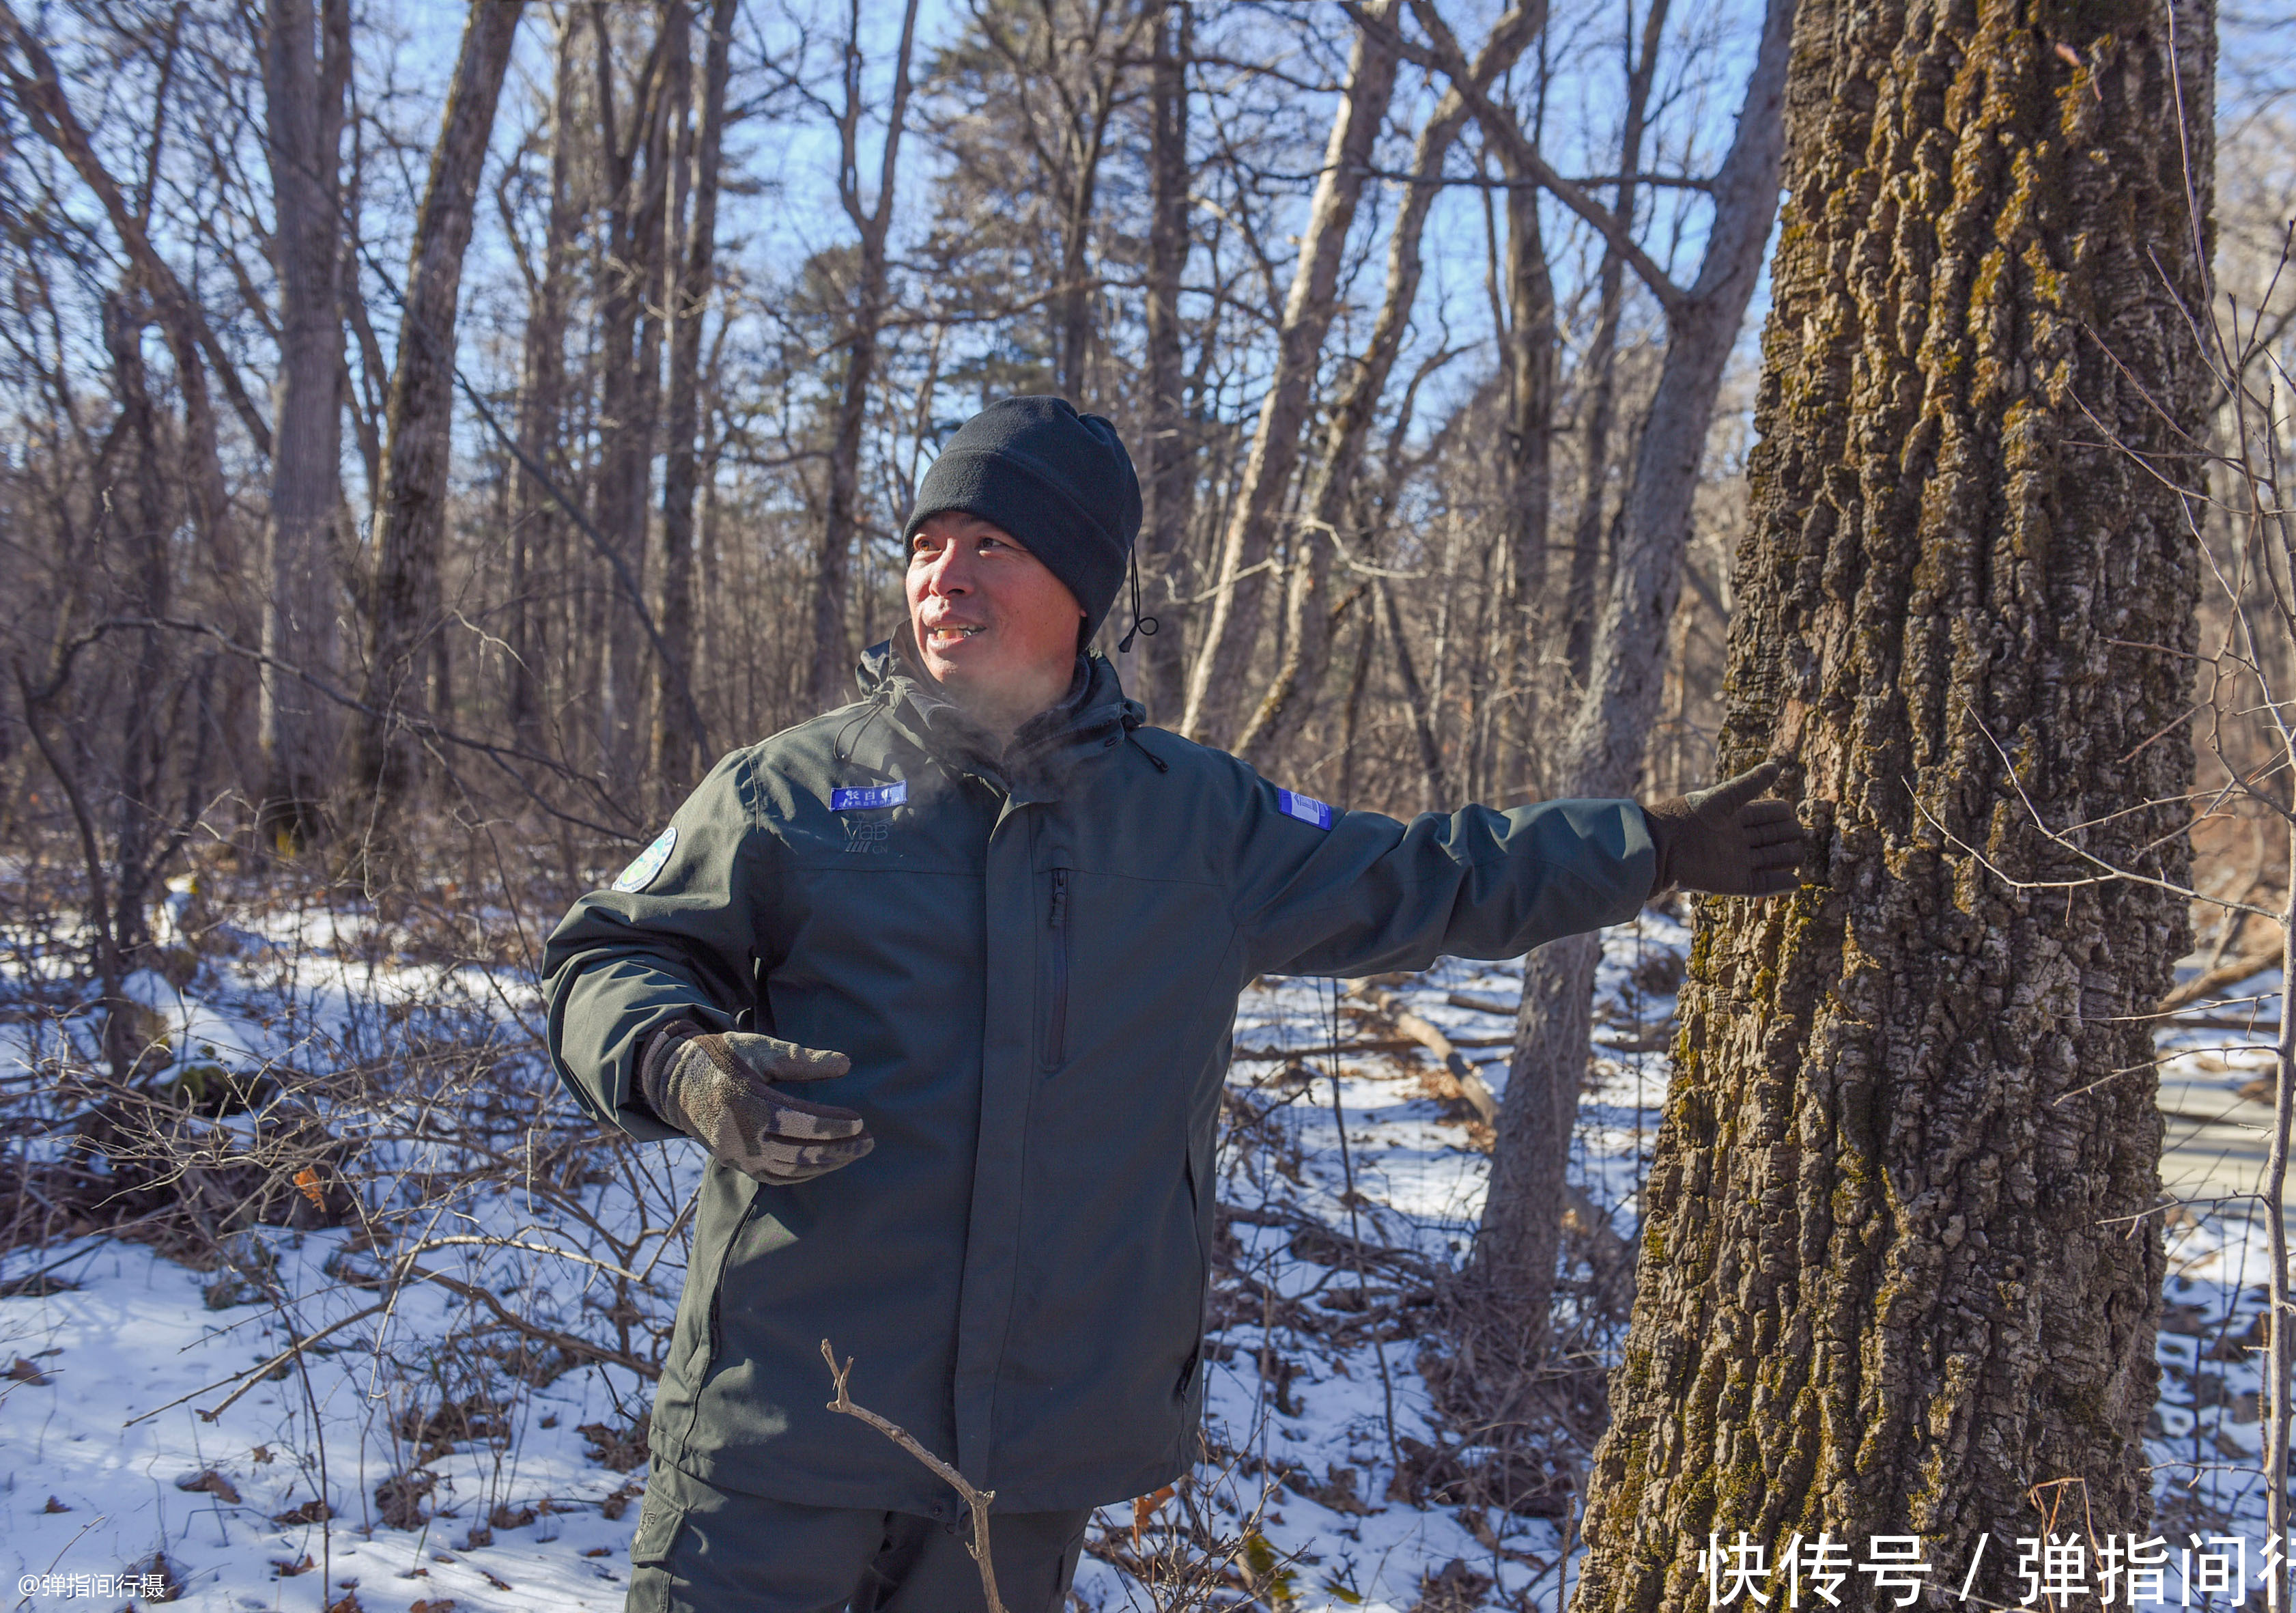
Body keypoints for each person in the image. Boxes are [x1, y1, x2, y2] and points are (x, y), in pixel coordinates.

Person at [542, 396, 1806, 1612]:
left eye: (992, 544)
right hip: (781, 1427)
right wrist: (678, 1064)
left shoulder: (1196, 822)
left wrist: (1649, 846)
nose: (944, 578)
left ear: (1082, 587)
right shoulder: (790, 794)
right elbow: (608, 954)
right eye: (927, 545)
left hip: (1028, 1459)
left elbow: (1427, 874)